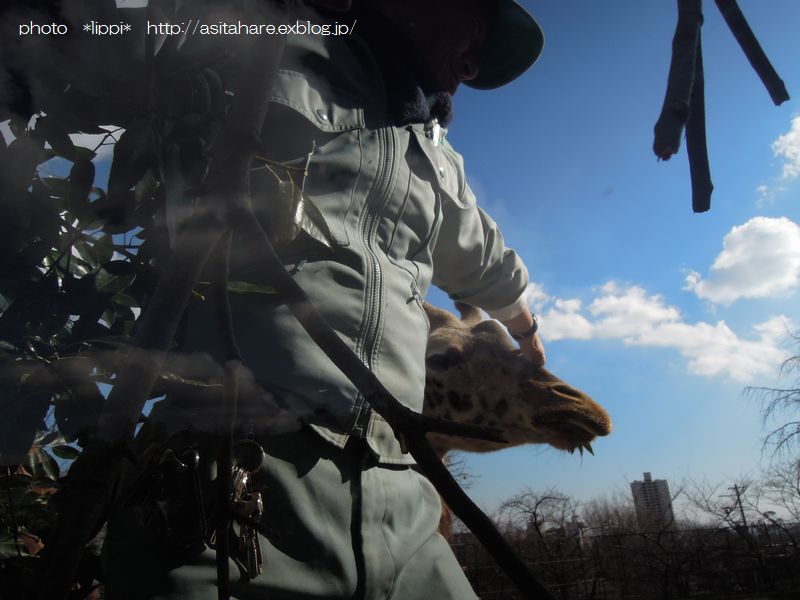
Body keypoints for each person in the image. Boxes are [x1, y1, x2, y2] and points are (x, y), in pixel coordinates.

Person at [103, 0, 546, 598]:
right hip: (237, 474)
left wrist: (524, 329)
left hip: (401, 489)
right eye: (473, 25)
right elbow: (98, 36)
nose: (469, 66)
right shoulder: (271, 36)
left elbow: (482, 252)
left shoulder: (436, 157)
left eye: (480, 58)